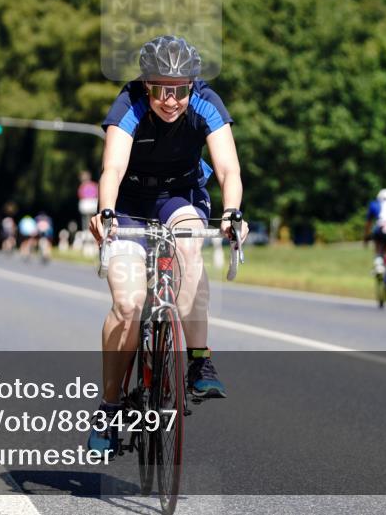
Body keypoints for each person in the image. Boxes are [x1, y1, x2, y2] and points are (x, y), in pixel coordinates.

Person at [86, 35, 248, 456]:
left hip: (182, 197)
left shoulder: (207, 102)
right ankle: (109, 407)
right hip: (129, 202)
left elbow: (229, 168)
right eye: (160, 89)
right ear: (146, 85)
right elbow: (112, 167)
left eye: (179, 90)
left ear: (192, 86)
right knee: (127, 304)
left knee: (190, 247)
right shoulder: (129, 105)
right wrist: (105, 212)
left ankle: (198, 358)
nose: (170, 100)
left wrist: (232, 213)